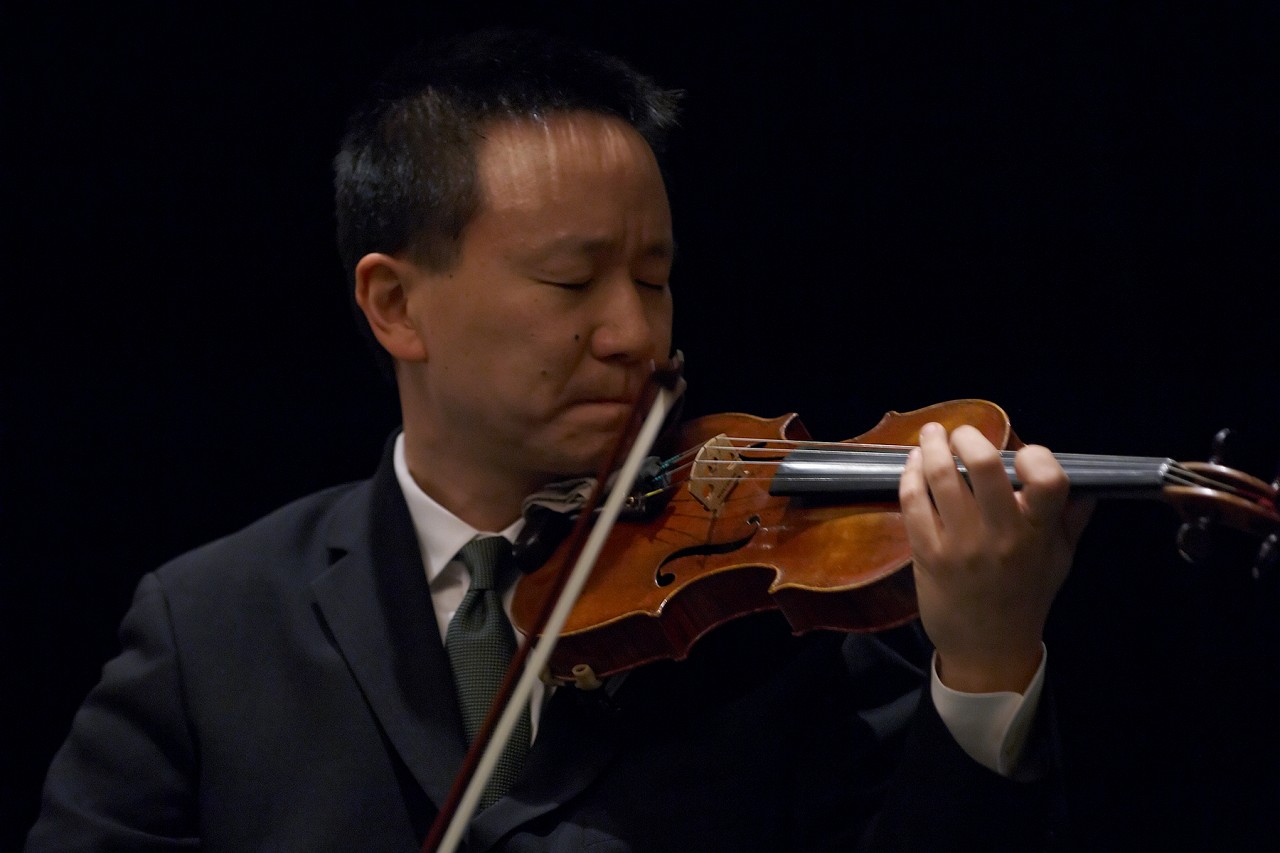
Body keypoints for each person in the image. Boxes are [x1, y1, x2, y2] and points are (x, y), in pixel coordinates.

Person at [25, 27, 1093, 851]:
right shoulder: (209, 629)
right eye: (570, 282)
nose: (632, 333)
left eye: (654, 278)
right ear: (395, 304)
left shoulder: (788, 625)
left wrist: (988, 658)